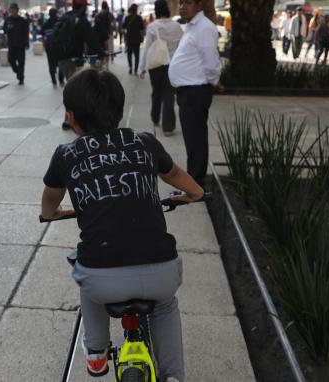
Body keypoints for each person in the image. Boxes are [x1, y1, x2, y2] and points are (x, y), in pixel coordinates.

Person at [41, 68, 205, 382]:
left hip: (103, 280)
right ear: (119, 112)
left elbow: (51, 197)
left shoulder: (65, 155)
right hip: (161, 274)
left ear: (71, 116)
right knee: (166, 306)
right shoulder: (144, 142)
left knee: (84, 270)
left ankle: (97, 353)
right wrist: (194, 193)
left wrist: (52, 214)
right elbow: (174, 176)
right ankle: (173, 376)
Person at [168, 0, 221, 188]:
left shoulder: (204, 28)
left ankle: (196, 182)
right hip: (188, 91)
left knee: (196, 137)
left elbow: (211, 61)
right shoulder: (192, 26)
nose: (182, 6)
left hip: (196, 91)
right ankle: (194, 179)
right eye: (181, 2)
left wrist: (213, 82)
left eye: (188, 2)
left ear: (199, 5)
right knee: (192, 137)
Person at [51, 0, 101, 129]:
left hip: (61, 59)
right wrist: (99, 52)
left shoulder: (65, 16)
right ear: (83, 7)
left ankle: (71, 118)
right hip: (73, 59)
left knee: (71, 87)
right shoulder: (81, 19)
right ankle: (69, 120)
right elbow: (91, 38)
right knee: (74, 90)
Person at [139, 0, 182, 136]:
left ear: (157, 10)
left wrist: (142, 68)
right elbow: (182, 48)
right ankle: (168, 127)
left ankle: (155, 117)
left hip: (156, 65)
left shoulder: (153, 27)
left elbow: (147, 49)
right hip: (173, 65)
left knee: (156, 92)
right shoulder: (177, 27)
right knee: (169, 95)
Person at [3, 3, 29, 85]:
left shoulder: (22, 20)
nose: (12, 10)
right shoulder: (8, 20)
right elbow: (4, 30)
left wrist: (26, 43)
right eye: (11, 9)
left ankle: (21, 78)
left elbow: (26, 32)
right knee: (11, 60)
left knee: (21, 62)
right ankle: (17, 71)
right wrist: (8, 28)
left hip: (21, 45)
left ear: (17, 10)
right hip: (12, 45)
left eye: (14, 9)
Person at [40, 7, 64, 86]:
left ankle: (53, 79)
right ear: (56, 13)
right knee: (60, 63)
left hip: (49, 47)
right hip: (59, 47)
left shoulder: (45, 24)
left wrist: (44, 45)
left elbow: (42, 35)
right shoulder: (60, 22)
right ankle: (61, 80)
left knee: (51, 64)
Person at [122, 3, 144, 75]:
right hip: (137, 39)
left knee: (129, 54)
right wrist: (142, 37)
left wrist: (125, 37)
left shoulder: (127, 18)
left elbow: (123, 28)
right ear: (136, 9)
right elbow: (142, 29)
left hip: (129, 39)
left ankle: (130, 68)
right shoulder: (139, 18)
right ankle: (135, 70)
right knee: (137, 56)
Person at [94, 1, 114, 69]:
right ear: (107, 6)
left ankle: (102, 64)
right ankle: (107, 66)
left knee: (102, 49)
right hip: (108, 34)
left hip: (100, 35)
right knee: (107, 50)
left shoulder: (98, 15)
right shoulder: (110, 14)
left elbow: (95, 25)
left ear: (102, 6)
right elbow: (113, 23)